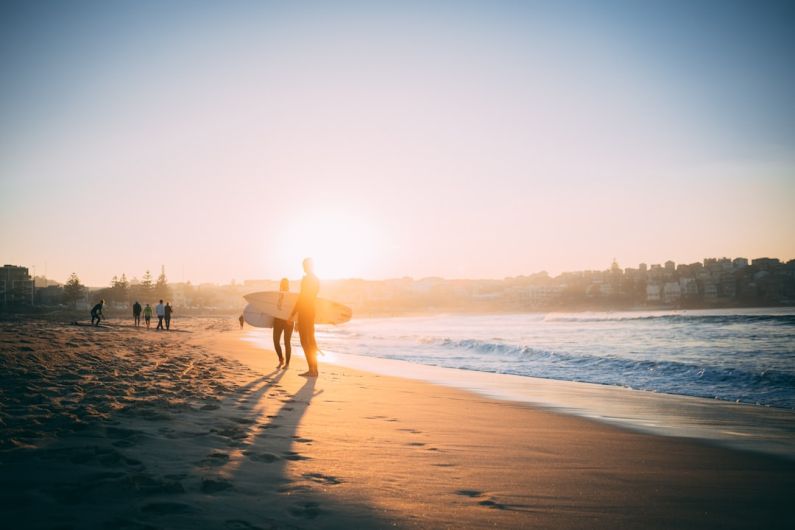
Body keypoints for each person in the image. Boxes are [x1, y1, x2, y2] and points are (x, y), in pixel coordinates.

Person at [289, 258, 319, 377]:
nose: (303, 267)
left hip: (305, 311)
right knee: (311, 340)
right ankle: (314, 369)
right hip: (311, 311)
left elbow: (302, 298)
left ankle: (312, 369)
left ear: (308, 266)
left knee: (305, 341)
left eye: (304, 265)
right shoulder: (316, 279)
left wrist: (293, 315)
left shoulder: (307, 279)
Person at [273, 278, 294, 370]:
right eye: (282, 284)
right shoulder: (277, 295)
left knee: (287, 342)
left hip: (288, 321)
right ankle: (281, 359)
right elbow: (272, 307)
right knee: (276, 341)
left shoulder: (291, 296)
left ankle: (287, 364)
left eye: (285, 284)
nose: (283, 286)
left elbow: (295, 309)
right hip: (278, 320)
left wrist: (295, 321)